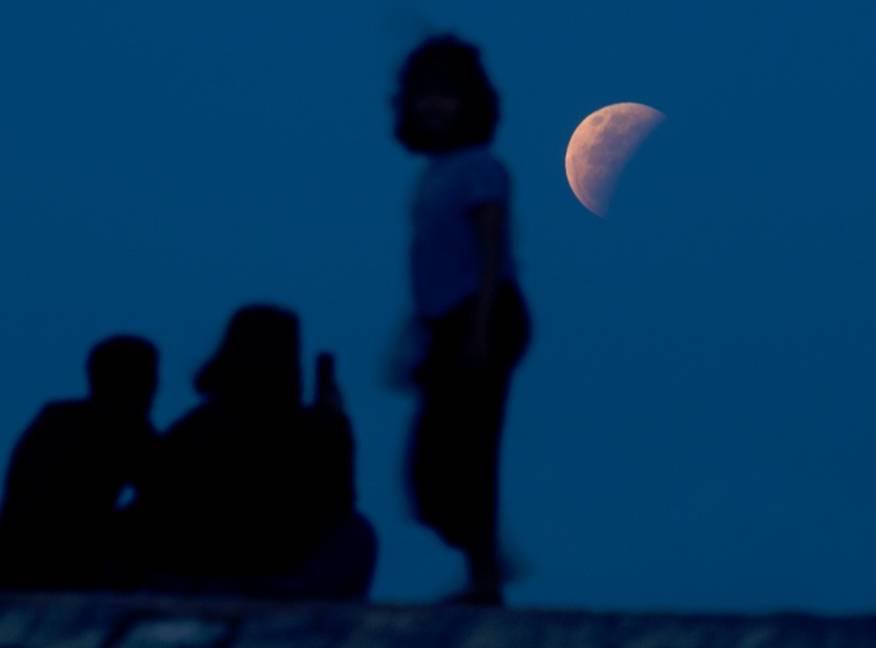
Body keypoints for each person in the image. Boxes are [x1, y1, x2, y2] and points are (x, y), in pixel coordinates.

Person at [391, 35, 531, 606]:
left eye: (446, 95)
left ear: (470, 101)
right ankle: (486, 559)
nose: (434, 107)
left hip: (484, 317)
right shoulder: (437, 171)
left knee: (467, 451)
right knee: (432, 467)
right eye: (425, 95)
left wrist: (479, 330)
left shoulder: (480, 168)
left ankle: (485, 576)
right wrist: (418, 333)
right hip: (446, 323)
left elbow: (492, 249)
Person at [137, 305, 375, 599]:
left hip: (202, 573)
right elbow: (337, 501)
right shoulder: (313, 429)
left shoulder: (192, 427)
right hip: (265, 574)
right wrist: (336, 426)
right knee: (356, 533)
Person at [0, 336, 159, 591]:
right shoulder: (123, 427)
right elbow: (165, 492)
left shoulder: (53, 421)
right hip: (63, 564)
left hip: (24, 560)